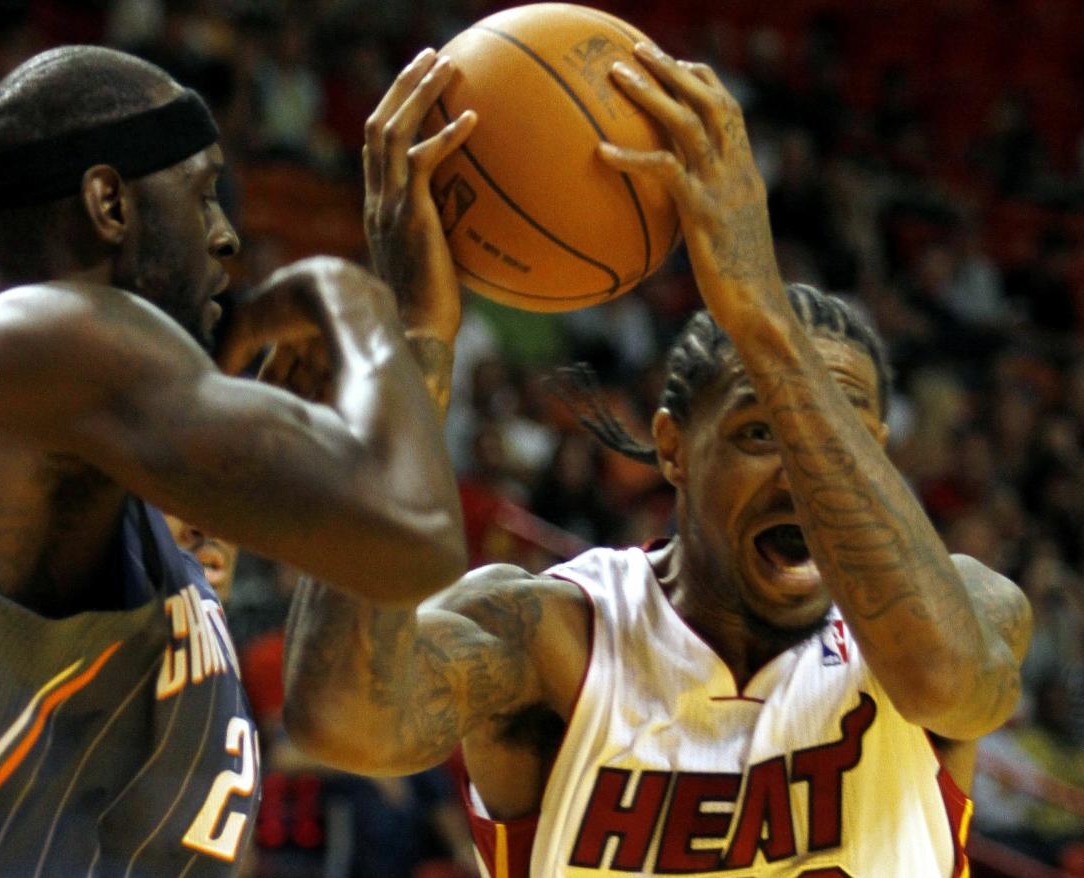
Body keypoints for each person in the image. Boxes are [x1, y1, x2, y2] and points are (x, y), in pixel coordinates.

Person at [276, 43, 1033, 876]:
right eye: (758, 433)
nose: (802, 473)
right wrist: (411, 341)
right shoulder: (552, 636)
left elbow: (949, 682)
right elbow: (341, 717)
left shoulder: (967, 605)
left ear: (870, 454)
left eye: (828, 431)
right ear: (673, 447)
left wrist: (762, 318)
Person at [0, 45, 467, 876]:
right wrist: (359, 303)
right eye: (204, 193)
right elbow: (413, 537)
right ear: (108, 203)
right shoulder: (39, 345)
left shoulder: (43, 430)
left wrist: (415, 337)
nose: (227, 235)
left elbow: (341, 710)